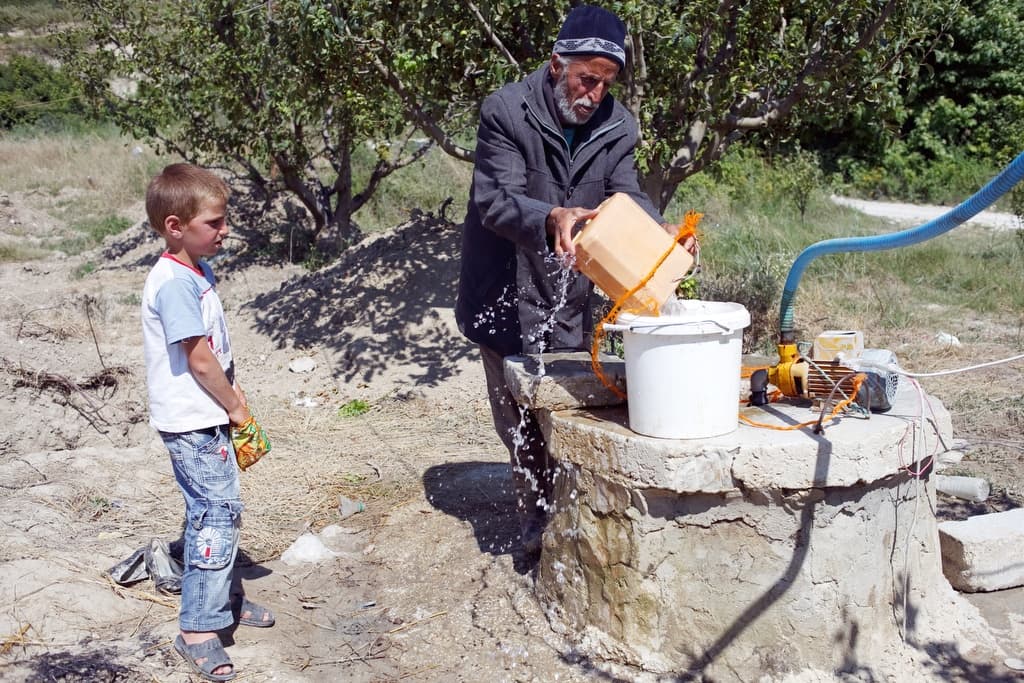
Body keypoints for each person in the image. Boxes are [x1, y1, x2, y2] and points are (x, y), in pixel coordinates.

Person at [455, 5, 697, 556]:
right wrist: (552, 216)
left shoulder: (618, 124)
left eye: (606, 82)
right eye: (586, 78)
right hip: (505, 288)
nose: (593, 94)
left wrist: (657, 230)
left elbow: (625, 192)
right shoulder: (506, 111)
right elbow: (495, 200)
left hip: (569, 288)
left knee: (564, 409)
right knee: (519, 416)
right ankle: (537, 528)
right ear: (556, 64)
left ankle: (575, 528)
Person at [141, 163, 274, 682]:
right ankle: (198, 628)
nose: (224, 231)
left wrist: (231, 394)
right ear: (175, 226)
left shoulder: (195, 268)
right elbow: (198, 358)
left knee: (214, 510)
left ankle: (223, 601)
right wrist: (237, 407)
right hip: (192, 422)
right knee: (216, 515)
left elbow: (212, 351)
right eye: (213, 223)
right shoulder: (174, 284)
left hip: (206, 413)